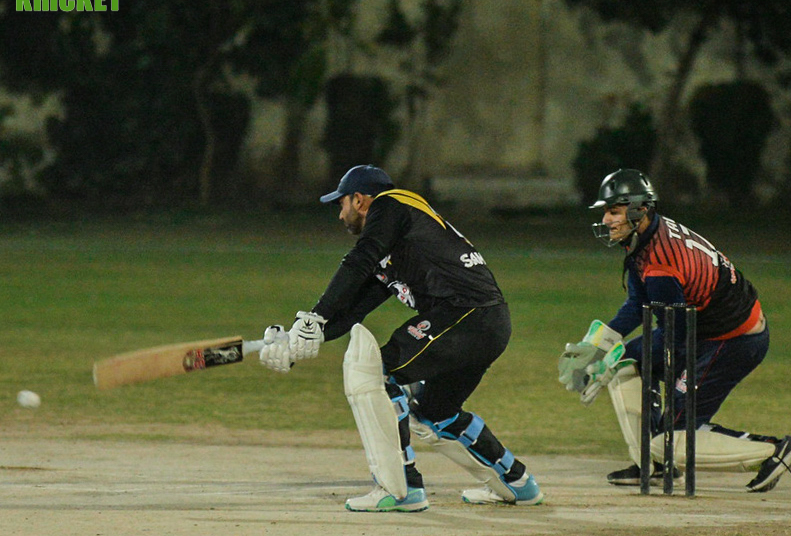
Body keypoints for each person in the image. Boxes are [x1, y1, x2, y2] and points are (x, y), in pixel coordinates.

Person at [259, 164, 543, 512]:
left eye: (341, 204)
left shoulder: (392, 203)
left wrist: (315, 315)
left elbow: (359, 259)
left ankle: (400, 489)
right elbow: (351, 312)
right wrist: (297, 340)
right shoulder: (395, 246)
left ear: (360, 200)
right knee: (436, 414)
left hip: (465, 315)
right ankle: (517, 484)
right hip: (486, 323)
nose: (340, 215)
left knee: (374, 373)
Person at [559, 168, 790, 492]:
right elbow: (638, 304)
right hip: (704, 328)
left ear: (639, 209)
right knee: (625, 364)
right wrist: (599, 345)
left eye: (614, 211)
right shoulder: (646, 234)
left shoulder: (660, 263)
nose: (607, 219)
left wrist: (610, 358)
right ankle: (652, 465)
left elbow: (676, 338)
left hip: (732, 339)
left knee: (672, 439)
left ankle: (775, 450)